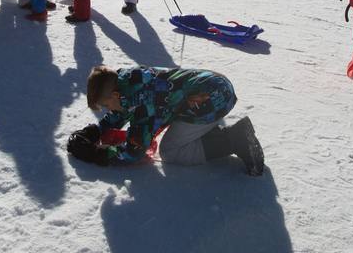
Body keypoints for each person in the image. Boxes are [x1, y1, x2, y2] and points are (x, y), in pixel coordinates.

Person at [67, 65, 265, 175]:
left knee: (171, 151)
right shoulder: (128, 81)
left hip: (211, 101)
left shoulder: (141, 106)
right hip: (214, 83)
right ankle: (206, 134)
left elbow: (133, 152)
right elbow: (123, 110)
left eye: (106, 105)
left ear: (115, 95)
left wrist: (96, 153)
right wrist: (98, 130)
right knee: (177, 131)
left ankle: (233, 139)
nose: (108, 110)